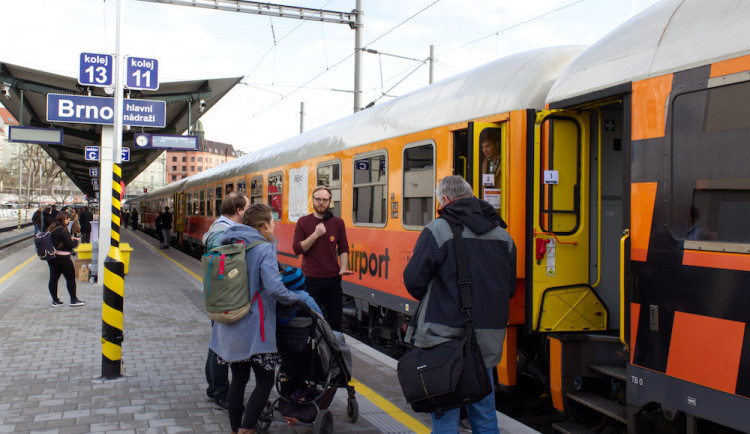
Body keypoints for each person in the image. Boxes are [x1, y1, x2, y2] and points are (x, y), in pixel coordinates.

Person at [402, 175, 516, 433]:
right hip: (485, 339)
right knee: (485, 414)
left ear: (444, 199)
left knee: (446, 414)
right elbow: (508, 288)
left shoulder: (437, 230)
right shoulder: (503, 236)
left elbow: (413, 281)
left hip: (445, 339)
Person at [209, 203, 301, 434]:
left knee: (238, 379)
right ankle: (246, 430)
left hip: (229, 323)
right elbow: (273, 287)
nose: (274, 225)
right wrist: (293, 298)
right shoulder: (264, 247)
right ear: (263, 225)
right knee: (265, 380)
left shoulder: (227, 242)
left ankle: (235, 429)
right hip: (255, 327)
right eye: (272, 221)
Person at [201, 191, 252, 412]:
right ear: (240, 210)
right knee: (221, 344)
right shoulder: (222, 230)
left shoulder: (219, 226)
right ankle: (221, 392)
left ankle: (214, 387)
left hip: (222, 294)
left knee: (217, 343)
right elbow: (216, 244)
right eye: (247, 208)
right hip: (225, 296)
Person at [292, 186, 353, 332]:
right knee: (310, 322)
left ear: (330, 202)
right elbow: (297, 249)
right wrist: (315, 234)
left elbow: (343, 248)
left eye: (325, 200)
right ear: (312, 200)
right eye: (318, 199)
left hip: (332, 280)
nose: (321, 202)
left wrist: (343, 267)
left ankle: (335, 353)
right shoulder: (303, 222)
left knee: (335, 322)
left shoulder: (338, 223)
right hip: (311, 280)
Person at [46, 211, 86, 308]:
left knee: (53, 279)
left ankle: (55, 300)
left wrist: (68, 240)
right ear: (64, 219)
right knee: (70, 279)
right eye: (68, 219)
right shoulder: (63, 230)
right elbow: (69, 246)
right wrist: (75, 242)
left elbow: (58, 241)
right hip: (64, 258)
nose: (68, 221)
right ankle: (73, 299)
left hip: (53, 258)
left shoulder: (52, 227)